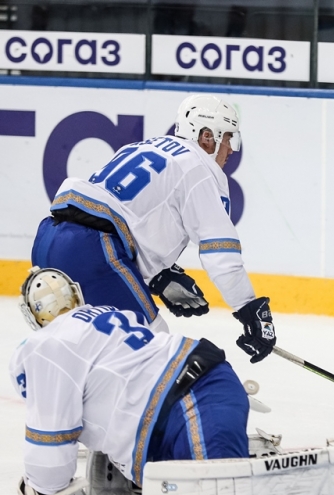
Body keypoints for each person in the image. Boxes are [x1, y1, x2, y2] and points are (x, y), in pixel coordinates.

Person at [31, 94, 275, 363]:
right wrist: (249, 308)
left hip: (49, 241)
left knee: (92, 353)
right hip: (94, 251)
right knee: (153, 351)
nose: (231, 149)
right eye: (228, 138)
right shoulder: (199, 168)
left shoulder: (144, 147)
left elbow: (126, 217)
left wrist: (158, 275)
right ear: (207, 137)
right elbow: (221, 252)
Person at [12, 266, 250, 495]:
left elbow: (51, 434)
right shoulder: (111, 314)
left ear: (34, 316)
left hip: (186, 403)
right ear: (75, 295)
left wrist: (41, 488)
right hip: (205, 385)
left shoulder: (44, 346)